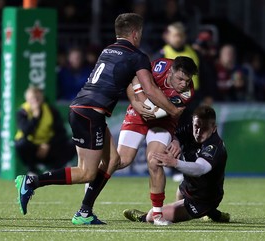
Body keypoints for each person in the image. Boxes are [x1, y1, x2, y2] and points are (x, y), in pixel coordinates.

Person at [14, 13, 184, 224]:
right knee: (86, 172)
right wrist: (173, 110)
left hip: (83, 108)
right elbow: (149, 88)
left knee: (113, 160)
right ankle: (32, 181)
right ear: (135, 33)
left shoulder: (108, 50)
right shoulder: (137, 56)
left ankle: (85, 212)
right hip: (90, 113)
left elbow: (130, 84)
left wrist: (137, 101)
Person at [74, 56, 197, 226]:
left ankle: (157, 214)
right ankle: (91, 186)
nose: (183, 84)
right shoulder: (159, 66)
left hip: (163, 121)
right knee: (120, 161)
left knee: (155, 161)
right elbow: (132, 81)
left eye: (187, 80)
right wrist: (135, 103)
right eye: (180, 78)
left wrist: (145, 104)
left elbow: (159, 113)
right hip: (138, 114)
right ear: (171, 71)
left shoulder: (187, 92)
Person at [123, 105, 230, 224]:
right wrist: (176, 141)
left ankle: (143, 217)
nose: (199, 132)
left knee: (151, 217)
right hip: (188, 187)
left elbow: (200, 168)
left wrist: (175, 163)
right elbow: (176, 135)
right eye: (196, 127)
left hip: (204, 199)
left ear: (214, 128)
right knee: (179, 194)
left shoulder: (214, 146)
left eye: (204, 129)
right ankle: (212, 214)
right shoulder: (190, 131)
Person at [14, 86, 76, 174]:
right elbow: (26, 131)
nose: (35, 100)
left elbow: (61, 133)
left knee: (72, 143)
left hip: (48, 147)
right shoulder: (22, 112)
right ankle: (32, 170)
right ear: (27, 99)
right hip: (32, 148)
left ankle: (54, 170)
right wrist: (35, 116)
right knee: (21, 144)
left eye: (37, 98)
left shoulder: (51, 111)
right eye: (32, 98)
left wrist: (48, 144)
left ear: (42, 97)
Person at [153, 22, 200, 91]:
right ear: (167, 37)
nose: (178, 39)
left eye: (181, 36)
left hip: (194, 94)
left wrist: (207, 95)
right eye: (175, 36)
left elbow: (204, 73)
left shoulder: (194, 52)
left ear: (185, 36)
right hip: (171, 94)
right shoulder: (162, 54)